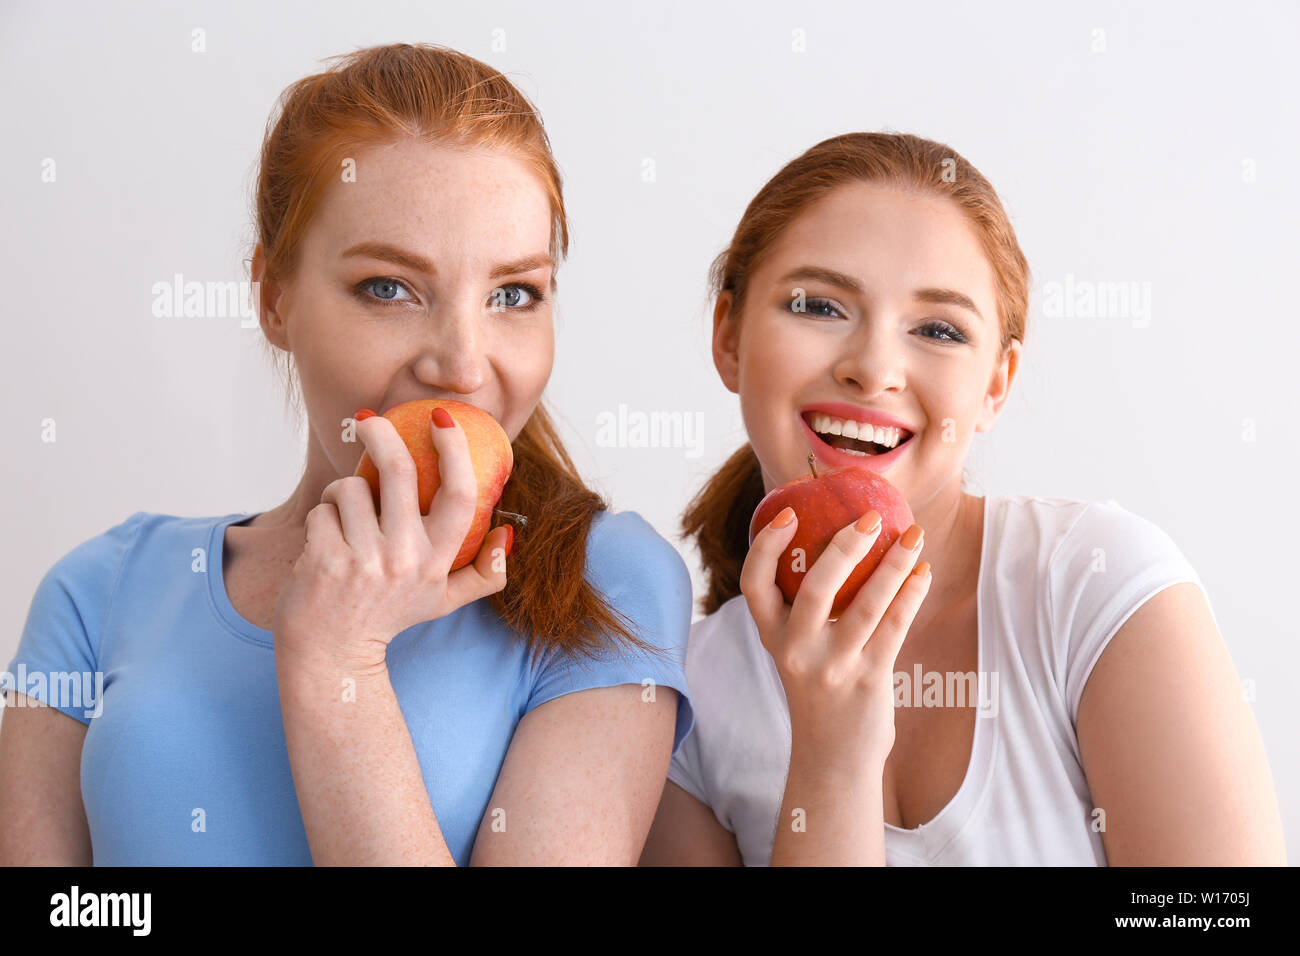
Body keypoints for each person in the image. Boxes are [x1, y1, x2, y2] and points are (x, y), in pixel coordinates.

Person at [0, 43, 694, 866]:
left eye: (513, 295)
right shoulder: (99, 590)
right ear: (274, 299)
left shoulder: (606, 585)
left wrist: (340, 662)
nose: (463, 365)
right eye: (389, 289)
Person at [639, 131, 1286, 866]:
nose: (873, 369)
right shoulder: (680, 703)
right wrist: (832, 759)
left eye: (939, 328)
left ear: (995, 386)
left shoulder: (1096, 586)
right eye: (819, 306)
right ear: (728, 336)